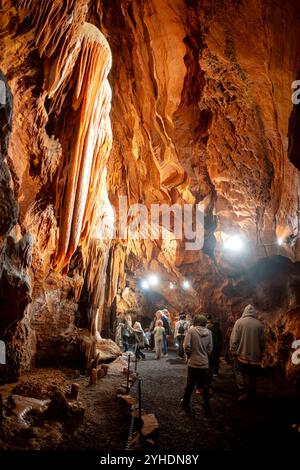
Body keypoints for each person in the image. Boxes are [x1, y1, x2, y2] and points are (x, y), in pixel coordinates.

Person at [230, 304, 265, 401]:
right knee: (253, 375)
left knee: (239, 372)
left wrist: (233, 350)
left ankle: (243, 392)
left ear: (244, 312)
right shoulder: (259, 324)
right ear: (254, 313)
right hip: (255, 357)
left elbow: (234, 339)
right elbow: (262, 341)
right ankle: (252, 393)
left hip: (242, 355)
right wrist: (262, 352)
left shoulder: (239, 322)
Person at [180, 315, 213, 414]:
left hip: (193, 363)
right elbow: (210, 348)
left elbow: (186, 346)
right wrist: (205, 355)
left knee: (190, 384)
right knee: (205, 386)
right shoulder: (209, 332)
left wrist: (190, 355)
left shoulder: (191, 331)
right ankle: (206, 405)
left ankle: (185, 403)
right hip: (204, 364)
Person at [206, 314, 223, 382]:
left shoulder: (210, 329)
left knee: (211, 361)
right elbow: (221, 339)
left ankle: (210, 373)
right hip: (217, 347)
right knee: (216, 359)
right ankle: (215, 372)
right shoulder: (219, 330)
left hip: (213, 347)